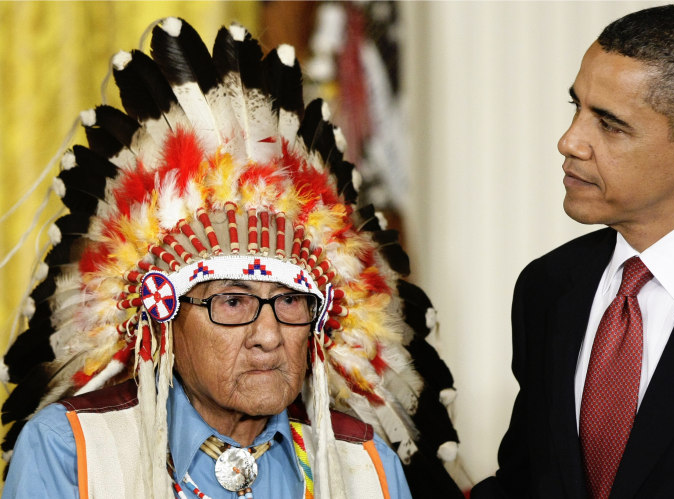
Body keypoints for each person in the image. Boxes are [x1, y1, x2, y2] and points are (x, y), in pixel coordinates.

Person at [1, 17, 463, 498]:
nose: (268, 336)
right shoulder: (74, 454)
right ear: (165, 321)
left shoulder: (365, 469)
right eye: (232, 302)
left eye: (290, 302)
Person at [472, 4, 674, 498]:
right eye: (576, 108)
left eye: (609, 124)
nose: (569, 141)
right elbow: (527, 482)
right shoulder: (548, 286)